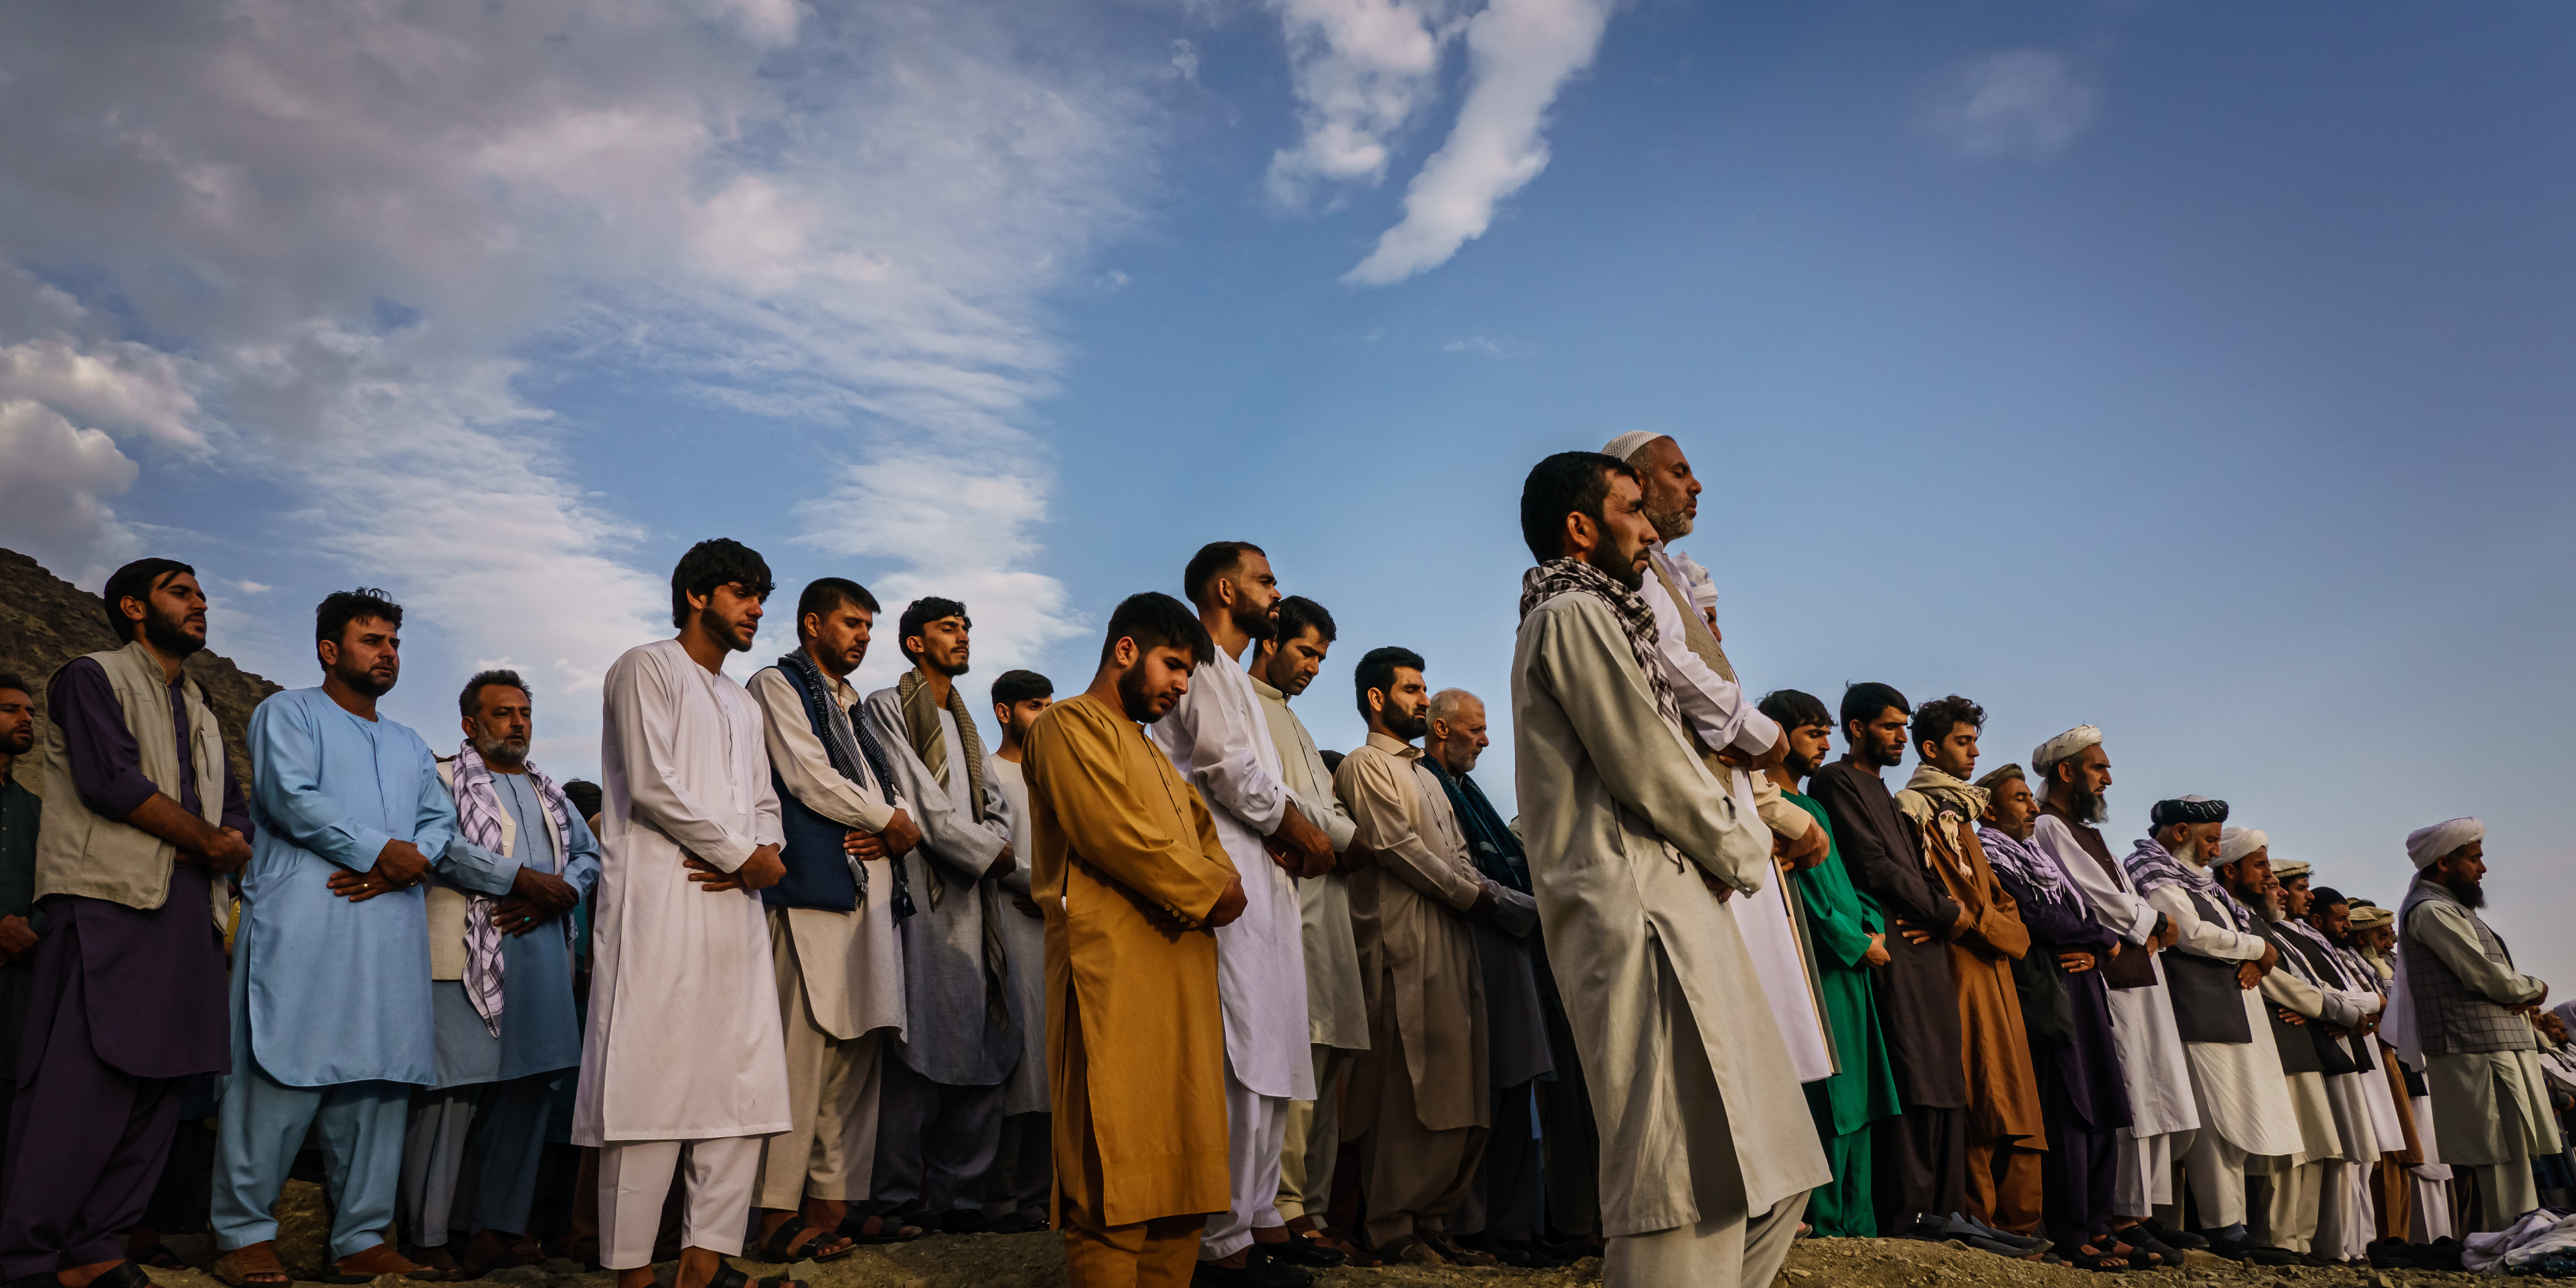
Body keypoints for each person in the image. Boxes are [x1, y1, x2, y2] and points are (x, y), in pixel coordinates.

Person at [1508, 452, 1825, 1288]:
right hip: (1637, 913)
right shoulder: (1571, 614)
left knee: (1769, 1171)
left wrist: (1730, 844)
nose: (1652, 530)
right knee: (1677, 1180)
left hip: (1680, 902)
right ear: (1581, 528)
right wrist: (1747, 842)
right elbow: (1647, 758)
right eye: (1630, 510)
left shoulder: (1614, 619)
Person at [0, 562, 249, 1288]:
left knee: (158, 1090)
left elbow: (233, 809)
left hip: (190, 911)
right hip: (109, 902)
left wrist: (228, 841)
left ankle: (97, 1250)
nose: (200, 602)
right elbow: (112, 783)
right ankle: (25, 1260)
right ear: (134, 607)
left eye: (203, 592)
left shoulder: (202, 707)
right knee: (76, 1090)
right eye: (181, 591)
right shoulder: (90, 676)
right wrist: (212, 844)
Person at [205, 588, 450, 1283]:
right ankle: (242, 1234)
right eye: (373, 640)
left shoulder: (408, 743)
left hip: (389, 929)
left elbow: (438, 823)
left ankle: (361, 1240)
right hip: (308, 924)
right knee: (280, 1071)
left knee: (375, 1081)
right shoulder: (288, 713)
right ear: (330, 649)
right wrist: (382, 851)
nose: (388, 654)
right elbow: (288, 799)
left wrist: (406, 863)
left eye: (395, 643)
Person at [573, 539, 795, 1288]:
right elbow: (653, 783)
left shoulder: (741, 699)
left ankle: (704, 1267)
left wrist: (763, 853)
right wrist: (740, 855)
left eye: (761, 596)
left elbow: (767, 801)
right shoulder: (646, 667)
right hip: (662, 902)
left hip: (737, 909)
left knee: (738, 1083)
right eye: (743, 593)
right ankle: (634, 1273)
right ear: (699, 596)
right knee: (650, 1087)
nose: (757, 609)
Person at [1018, 592, 1247, 1288]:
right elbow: (1112, 835)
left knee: (1183, 1188)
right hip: (1110, 977)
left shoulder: (1159, 762)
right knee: (1114, 1181)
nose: (1181, 687)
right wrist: (1211, 893)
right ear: (1126, 651)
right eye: (1173, 666)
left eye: (1188, 674)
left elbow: (1211, 848)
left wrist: (1219, 885)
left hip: (1181, 981)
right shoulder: (1066, 728)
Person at [1599, 433, 1831, 1090]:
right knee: (1730, 1055)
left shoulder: (1670, 570)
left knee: (1767, 1051)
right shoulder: (1632, 571)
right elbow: (1673, 665)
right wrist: (1762, 732)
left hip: (1732, 808)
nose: (1696, 486)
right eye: (1680, 472)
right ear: (1638, 484)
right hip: (1699, 821)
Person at [1146, 544, 1337, 1287]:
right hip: (1222, 875)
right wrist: (1301, 832)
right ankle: (1220, 1240)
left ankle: (1258, 1218)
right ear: (1226, 589)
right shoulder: (1191, 661)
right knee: (1238, 1055)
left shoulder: (1234, 678)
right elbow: (1228, 773)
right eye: (1265, 580)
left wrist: (1287, 838)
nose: (1276, 591)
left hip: (1263, 879)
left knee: (1272, 1051)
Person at [743, 577, 924, 1257]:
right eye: (851, 624)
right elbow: (807, 776)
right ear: (812, 623)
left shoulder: (853, 705)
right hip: (816, 892)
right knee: (801, 1054)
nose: (862, 637)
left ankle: (832, 1204)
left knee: (858, 1056)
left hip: (871, 895)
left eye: (868, 628)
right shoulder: (777, 685)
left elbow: (888, 788)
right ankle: (772, 1214)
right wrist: (887, 821)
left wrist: (892, 825)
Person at [402, 671, 602, 1274]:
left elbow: (590, 854)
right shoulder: (440, 779)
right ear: (470, 724)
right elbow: (441, 846)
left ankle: (498, 1227)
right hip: (467, 954)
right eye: (501, 714)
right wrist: (519, 881)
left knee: (527, 1092)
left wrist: (559, 889)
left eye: (523, 713)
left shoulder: (552, 793)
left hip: (541, 955)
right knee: (452, 1095)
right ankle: (429, 1233)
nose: (517, 724)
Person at [860, 598, 1022, 1235]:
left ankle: (962, 1201)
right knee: (914, 1051)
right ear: (913, 643)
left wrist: (995, 843)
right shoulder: (885, 707)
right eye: (948, 629)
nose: (962, 638)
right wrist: (986, 851)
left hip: (976, 900)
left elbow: (993, 801)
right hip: (924, 896)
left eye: (965, 628)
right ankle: (896, 1197)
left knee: (986, 1042)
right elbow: (916, 799)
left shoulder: (966, 722)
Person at [1331, 650, 1496, 1269]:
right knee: (1410, 1089)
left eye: (1425, 690)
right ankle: (1392, 1225)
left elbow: (1459, 856)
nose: (1423, 701)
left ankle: (1432, 1220)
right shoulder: (1365, 765)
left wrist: (1492, 900)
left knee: (1462, 1083)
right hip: (1406, 942)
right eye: (1411, 689)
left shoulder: (1428, 775)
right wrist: (1472, 898)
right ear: (1377, 699)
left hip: (1456, 937)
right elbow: (1397, 848)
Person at [2023, 728, 2195, 1264]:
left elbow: (2118, 894)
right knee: (2117, 1094)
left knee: (2139, 1095)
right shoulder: (2051, 828)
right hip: (2100, 972)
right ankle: (2115, 1215)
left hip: (2125, 963)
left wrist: (2151, 924)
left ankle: (2125, 1216)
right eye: (2099, 768)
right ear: (2067, 772)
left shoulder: (2086, 831)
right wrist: (2158, 920)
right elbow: (2094, 898)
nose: (2109, 777)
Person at [1806, 682, 1967, 1240]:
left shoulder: (1890, 798)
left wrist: (1941, 911)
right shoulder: (1836, 782)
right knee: (1910, 1074)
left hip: (1924, 949)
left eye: (1904, 727)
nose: (1903, 737)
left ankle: (1948, 1210)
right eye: (1891, 727)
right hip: (1887, 952)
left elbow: (1916, 870)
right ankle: (1911, 1213)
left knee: (1944, 1074)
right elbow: (1874, 867)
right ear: (1857, 729)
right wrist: (1947, 916)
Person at [1243, 598, 1375, 1263]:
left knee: (1328, 1062)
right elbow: (1282, 804)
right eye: (1307, 652)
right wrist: (1344, 837)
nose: (1315, 667)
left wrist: (1344, 837)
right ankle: (1285, 1208)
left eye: (1323, 657)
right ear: (1271, 641)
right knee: (1293, 1061)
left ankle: (1313, 1208)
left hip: (1329, 911)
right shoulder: (1244, 704)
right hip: (1289, 904)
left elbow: (1329, 811)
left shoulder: (1290, 718)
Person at [1889, 696, 2045, 1244]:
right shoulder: (1915, 808)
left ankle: (2021, 1230)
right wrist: (1992, 930)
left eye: (1976, 742)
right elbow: (1953, 901)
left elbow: (2007, 913)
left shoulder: (1963, 815)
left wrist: (1997, 931)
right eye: (1963, 742)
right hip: (1959, 972)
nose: (1975, 752)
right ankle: (1982, 1227)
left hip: (1993, 970)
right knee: (1981, 1099)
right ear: (1931, 748)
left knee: (2018, 1103)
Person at [2123, 796, 2301, 1261]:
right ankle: (2223, 1229)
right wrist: (2254, 947)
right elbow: (2191, 932)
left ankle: (2219, 1225)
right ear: (2180, 833)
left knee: (2224, 1121)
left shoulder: (2199, 882)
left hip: (2222, 1014)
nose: (2214, 851)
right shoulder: (2156, 875)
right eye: (2209, 839)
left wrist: (2255, 952)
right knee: (2210, 1124)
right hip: (2192, 1014)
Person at [1974, 763, 2134, 1269]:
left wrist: (2092, 944)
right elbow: (2032, 915)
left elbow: (2079, 915)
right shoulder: (1990, 853)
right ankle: (2072, 1231)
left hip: (2082, 989)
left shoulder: (2038, 858)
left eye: (2030, 797)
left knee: (2104, 1104)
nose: (2033, 807)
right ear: (1992, 810)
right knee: (2070, 1110)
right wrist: (2104, 941)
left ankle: (2100, 1226)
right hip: (2050, 993)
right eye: (2020, 799)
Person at [1417, 688, 1555, 1267]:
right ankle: (1469, 1225)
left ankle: (1513, 1225)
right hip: (1470, 943)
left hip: (1507, 945)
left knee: (1513, 1084)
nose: (1486, 739)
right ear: (1443, 730)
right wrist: (1528, 909)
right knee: (1477, 1092)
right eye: (1476, 729)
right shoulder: (1424, 783)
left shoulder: (1469, 790)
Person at [1758, 690, 1902, 1240]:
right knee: (1828, 1095)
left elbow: (1846, 882)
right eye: (1813, 732)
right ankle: (1822, 1223)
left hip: (1855, 966)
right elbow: (1802, 892)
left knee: (1862, 1099)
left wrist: (1872, 927)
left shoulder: (1814, 807)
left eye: (1825, 732)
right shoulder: (1769, 804)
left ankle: (1859, 1227)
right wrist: (1853, 941)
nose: (1824, 743)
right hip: (1819, 968)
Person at [2391, 818, 2561, 1233]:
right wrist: (2532, 987)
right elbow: (2482, 975)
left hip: (2493, 1046)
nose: (2482, 869)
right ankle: (2512, 1235)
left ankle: (2518, 1231)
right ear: (2445, 863)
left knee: (2515, 1144)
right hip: (2474, 1050)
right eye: (2475, 859)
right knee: (2498, 1147)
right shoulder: (2431, 911)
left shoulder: (2449, 908)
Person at [2208, 835, 2343, 1261]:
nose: (2273, 881)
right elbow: (2275, 983)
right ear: (2231, 871)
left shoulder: (2257, 922)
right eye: (2262, 869)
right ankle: (2279, 1242)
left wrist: (2322, 1010)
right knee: (2285, 1154)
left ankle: (2301, 1244)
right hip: (2269, 1044)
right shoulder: (2232, 918)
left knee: (2317, 1147)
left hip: (2296, 1043)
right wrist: (2332, 1010)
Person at [984, 667, 1056, 1234]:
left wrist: (1062, 898)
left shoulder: (1061, 778)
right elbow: (991, 848)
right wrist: (1039, 889)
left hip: (1060, 930)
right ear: (1004, 712)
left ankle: (1038, 1196)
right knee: (1017, 1069)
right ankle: (1000, 1200)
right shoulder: (989, 772)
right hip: (1013, 925)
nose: (1047, 716)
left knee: (1055, 1068)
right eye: (1035, 706)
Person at [0, 674, 42, 1168]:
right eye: (12, 709)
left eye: (29, 711)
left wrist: (30, 930)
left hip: (21, 986)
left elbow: (54, 885)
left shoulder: (35, 809)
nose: (27, 718)